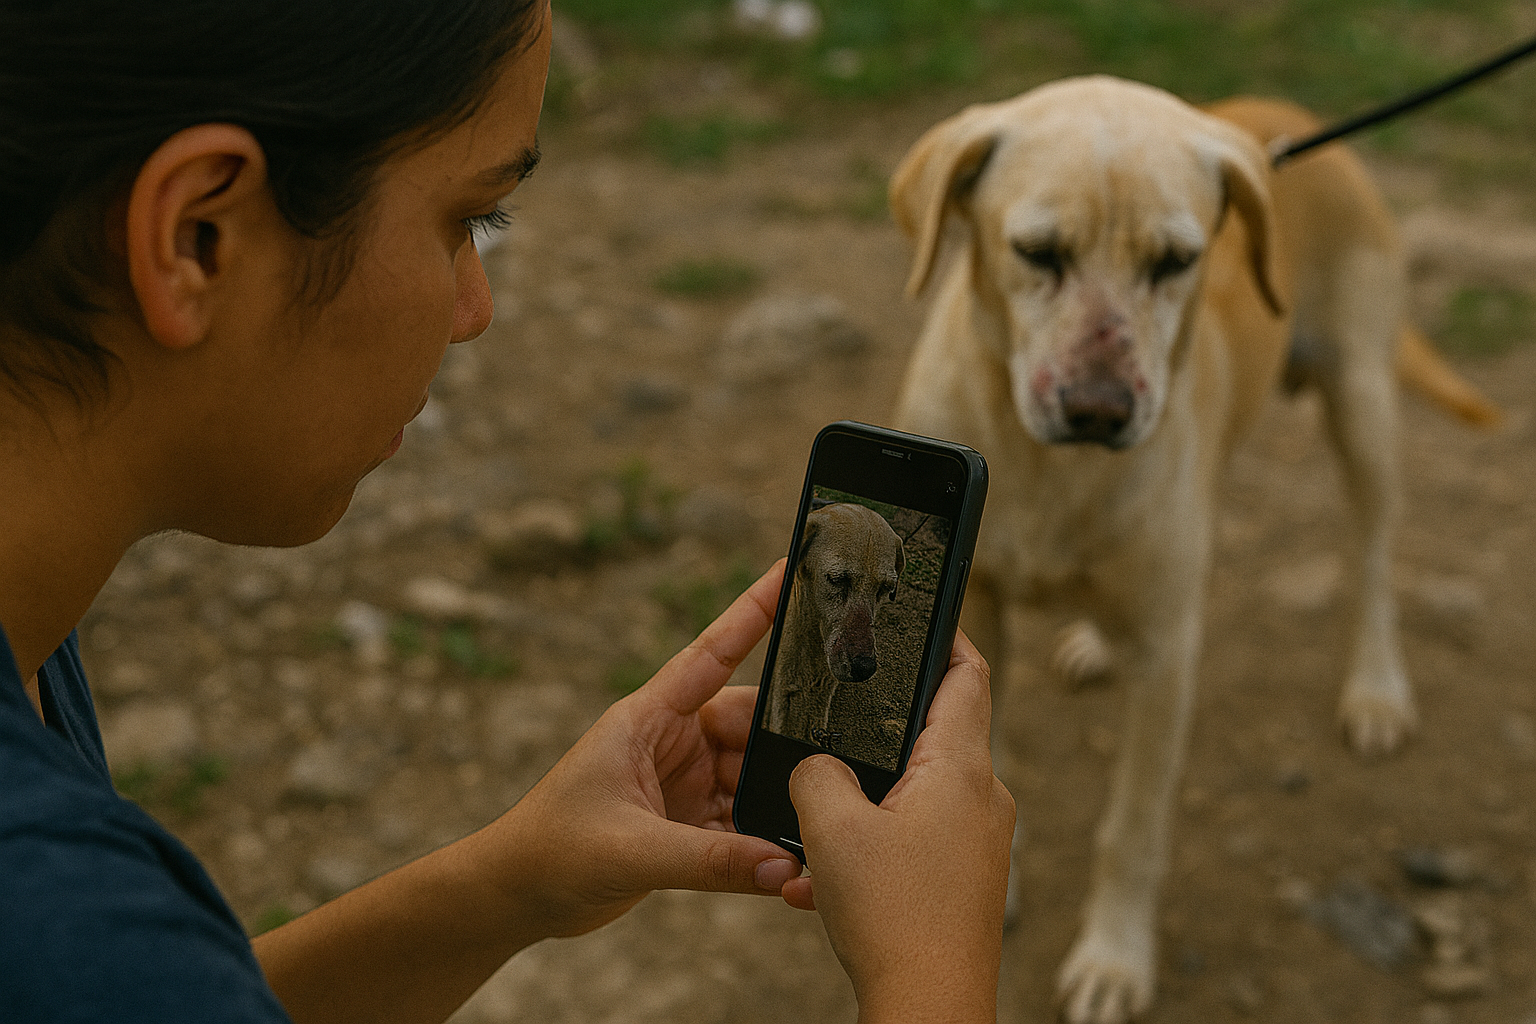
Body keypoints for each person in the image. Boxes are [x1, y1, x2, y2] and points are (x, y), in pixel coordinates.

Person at [0, 2, 1015, 1022]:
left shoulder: (34, 639)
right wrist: (928, 969)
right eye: (468, 218)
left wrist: (514, 883)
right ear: (197, 235)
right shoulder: (60, 915)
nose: (474, 309)